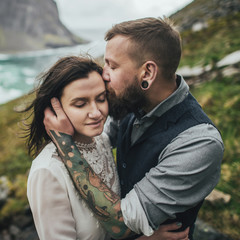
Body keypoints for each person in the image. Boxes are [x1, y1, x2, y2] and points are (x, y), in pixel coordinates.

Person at [44, 17, 224, 240]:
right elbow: (99, 143)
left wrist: (66, 145)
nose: (104, 74)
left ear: (147, 73)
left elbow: (122, 222)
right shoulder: (129, 100)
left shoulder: (199, 142)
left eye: (112, 65)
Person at [23, 55, 188, 240]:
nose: (96, 112)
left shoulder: (101, 140)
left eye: (101, 99)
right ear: (54, 110)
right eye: (80, 103)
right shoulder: (47, 171)